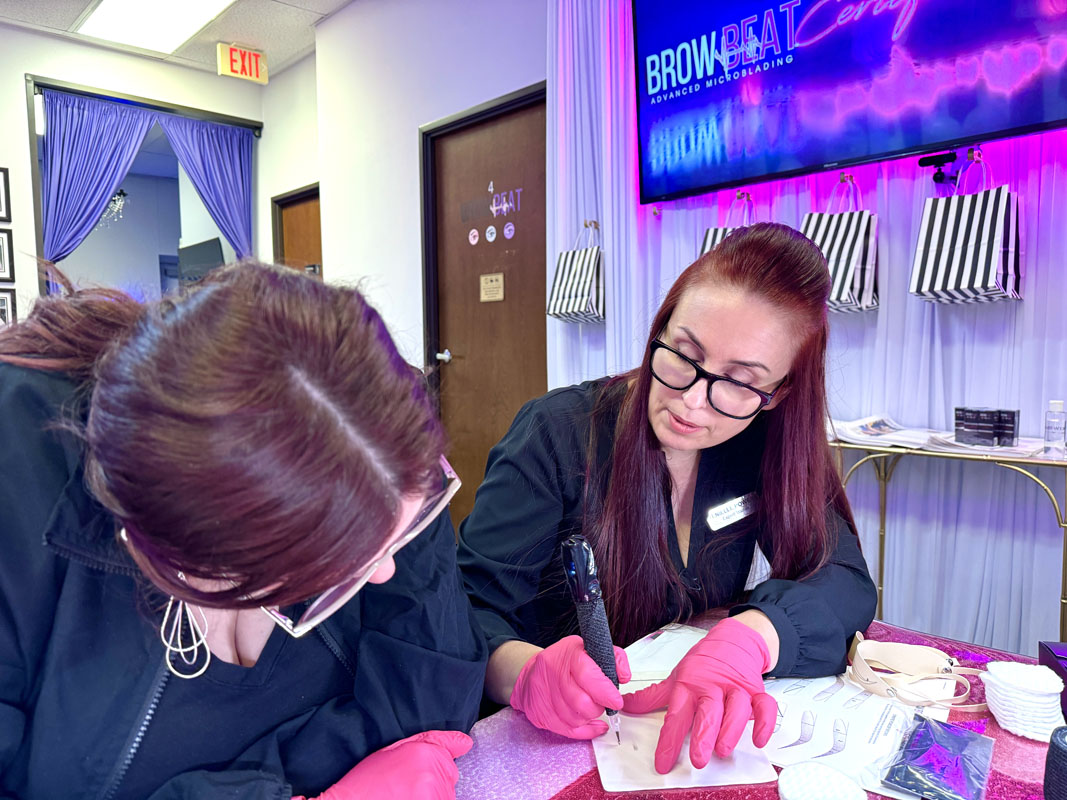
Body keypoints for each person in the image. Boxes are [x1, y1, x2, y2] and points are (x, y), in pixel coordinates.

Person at [0, 263, 487, 800]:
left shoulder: (370, 449)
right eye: (339, 565)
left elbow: (434, 708)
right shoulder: (20, 505)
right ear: (195, 558)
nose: (386, 571)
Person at [457, 223, 878, 774]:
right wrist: (524, 672)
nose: (692, 401)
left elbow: (844, 579)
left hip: (684, 747)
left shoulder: (765, 446)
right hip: (557, 743)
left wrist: (756, 636)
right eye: (684, 353)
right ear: (661, 328)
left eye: (738, 382)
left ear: (778, 395)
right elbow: (467, 610)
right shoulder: (557, 434)